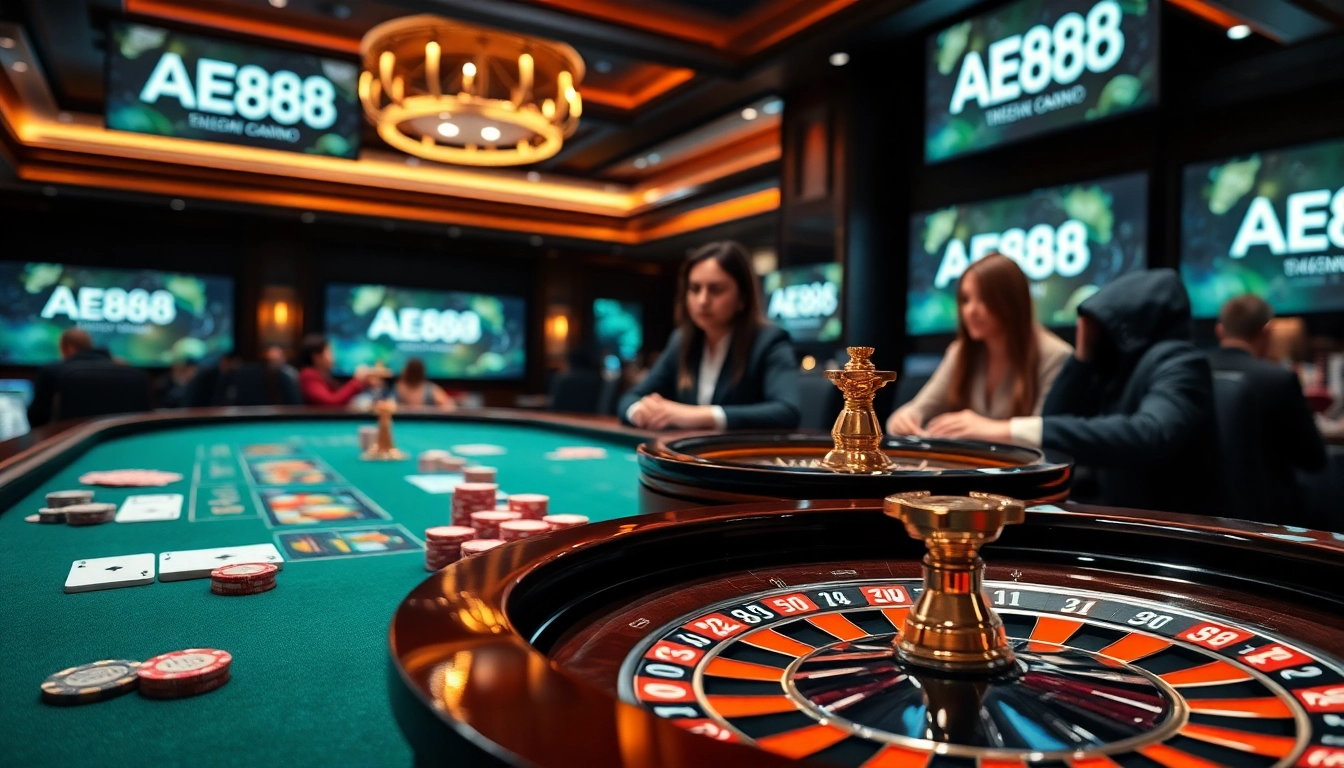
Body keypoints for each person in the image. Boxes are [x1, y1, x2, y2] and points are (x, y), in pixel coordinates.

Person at [935, 269, 1220, 514]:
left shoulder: (1181, 361)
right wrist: (1081, 358)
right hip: (1119, 516)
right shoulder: (1118, 366)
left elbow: (1150, 434)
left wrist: (1003, 430)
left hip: (1170, 528)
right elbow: (1057, 415)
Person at [619, 241, 801, 430]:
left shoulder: (769, 341)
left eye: (716, 290)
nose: (702, 300)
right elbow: (629, 399)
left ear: (742, 298)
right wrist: (640, 411)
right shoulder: (681, 341)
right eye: (695, 289)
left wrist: (693, 415)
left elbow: (787, 412)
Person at [887, 254, 1073, 438]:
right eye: (966, 300)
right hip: (965, 466)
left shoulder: (1056, 355)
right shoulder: (959, 351)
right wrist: (904, 419)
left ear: (1010, 301)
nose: (971, 310)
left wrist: (986, 428)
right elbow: (917, 409)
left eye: (983, 299)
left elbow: (1046, 435)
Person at [1207, 294, 1326, 517]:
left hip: (1201, 510)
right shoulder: (1280, 379)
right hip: (1269, 519)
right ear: (1268, 331)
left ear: (1219, 331)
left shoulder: (1191, 372)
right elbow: (1313, 459)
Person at [28, 328, 113, 427]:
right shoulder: (123, 370)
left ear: (69, 348)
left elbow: (37, 417)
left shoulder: (52, 372)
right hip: (115, 437)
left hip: (66, 437)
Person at [296, 334, 373, 406]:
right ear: (316, 357)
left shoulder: (321, 375)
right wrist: (357, 380)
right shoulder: (308, 375)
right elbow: (331, 403)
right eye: (329, 352)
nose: (333, 356)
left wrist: (364, 384)